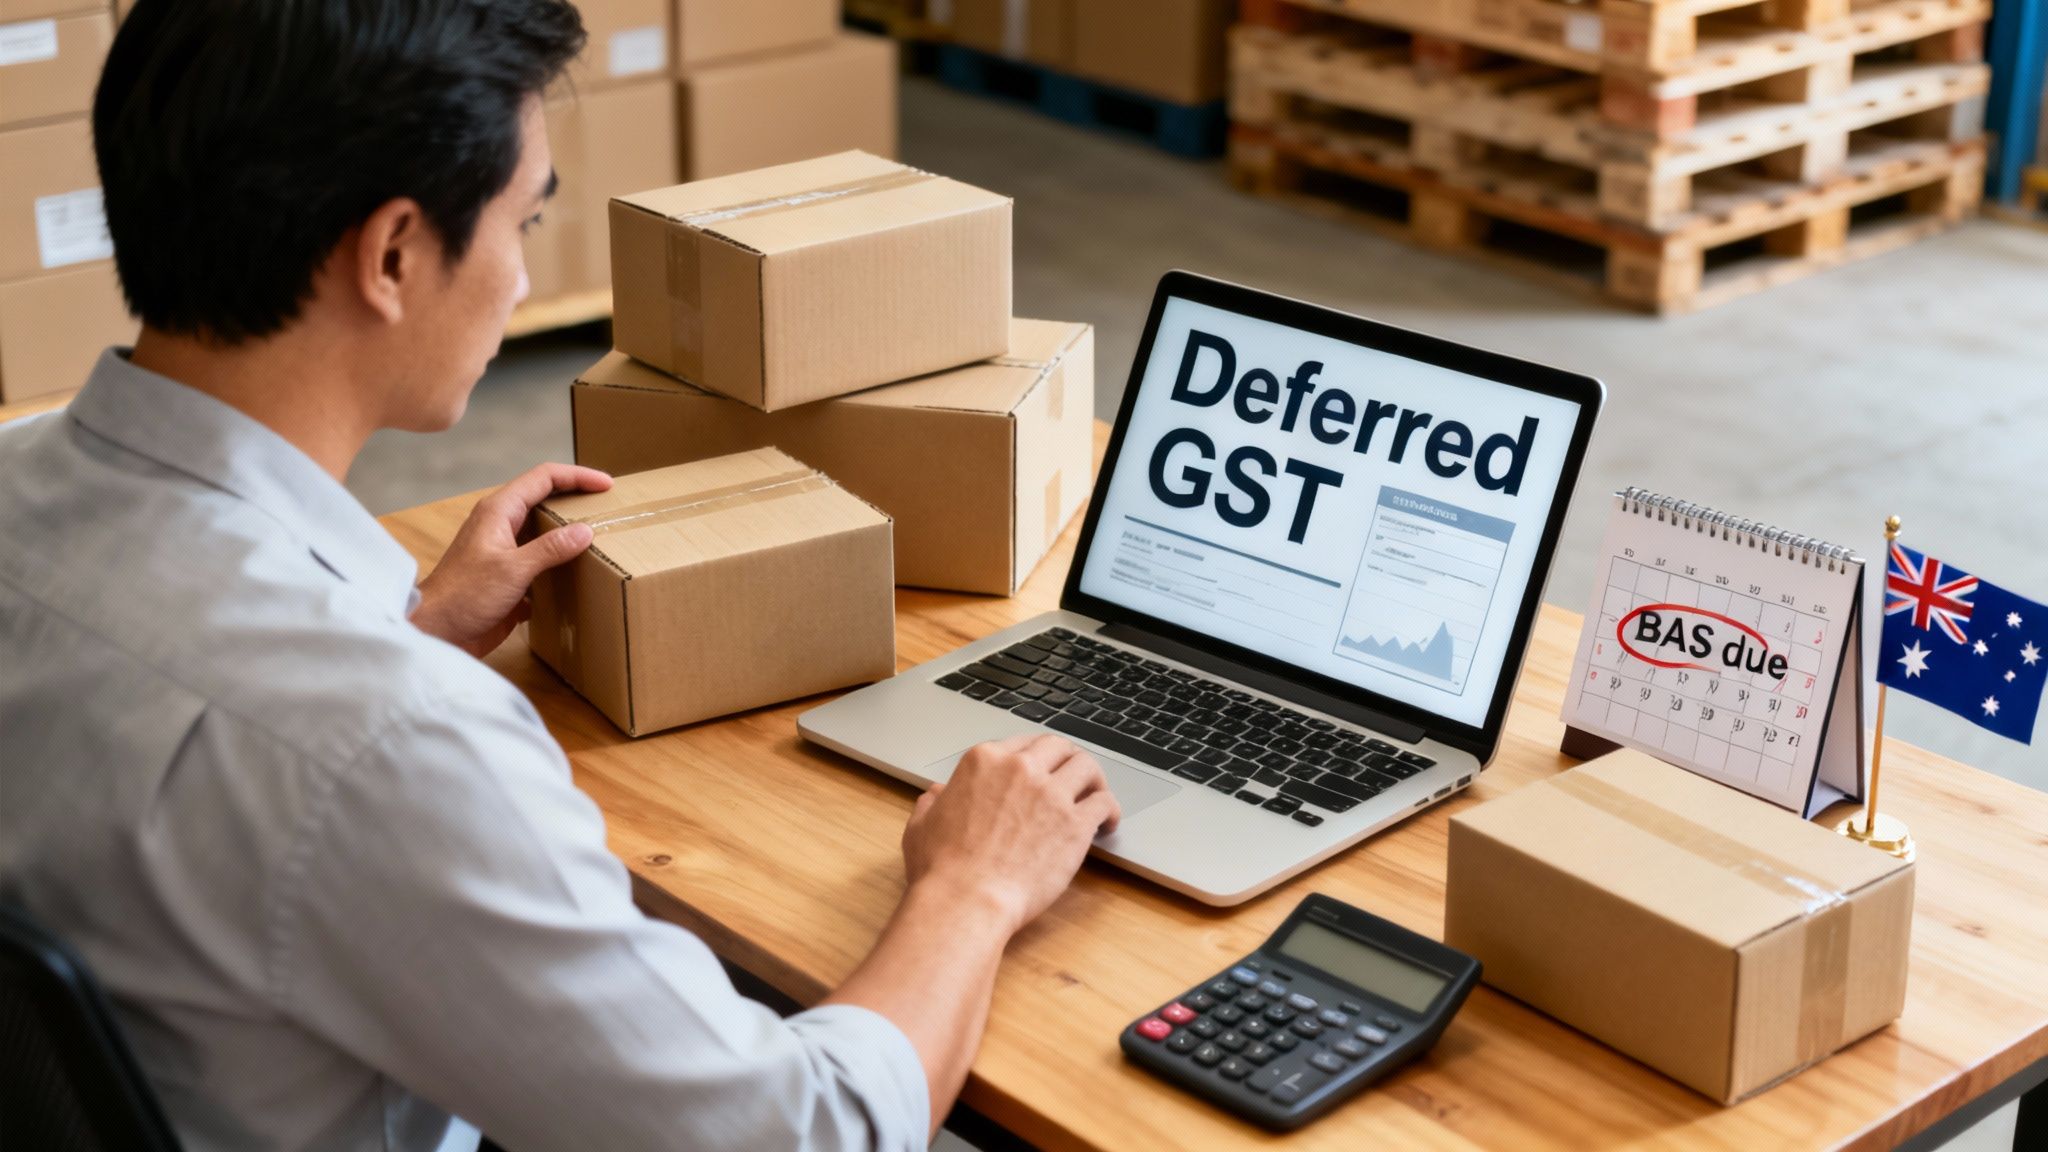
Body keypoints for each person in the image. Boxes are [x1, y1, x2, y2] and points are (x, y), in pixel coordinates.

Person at [0, 2, 1119, 1149]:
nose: (523, 283)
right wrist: (973, 886)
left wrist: (413, 630)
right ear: (391, 256)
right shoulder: (392, 746)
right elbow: (794, 1133)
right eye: (521, 222)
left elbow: (210, 728)